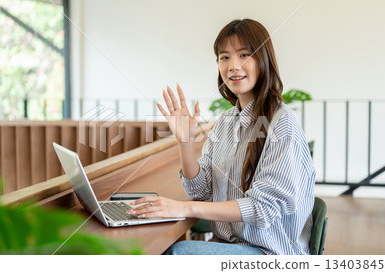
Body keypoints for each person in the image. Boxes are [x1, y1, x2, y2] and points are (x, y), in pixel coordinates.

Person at [127, 19, 315, 255]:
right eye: (224, 57)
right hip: (228, 244)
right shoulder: (226, 121)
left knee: (178, 253)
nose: (233, 66)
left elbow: (263, 209)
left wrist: (184, 209)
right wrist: (185, 143)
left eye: (244, 54)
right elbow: (200, 190)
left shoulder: (282, 122)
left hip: (270, 253)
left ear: (264, 60)